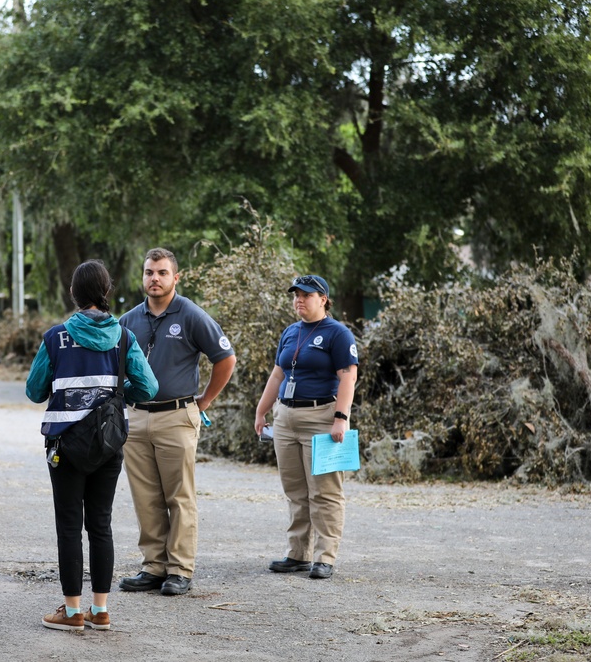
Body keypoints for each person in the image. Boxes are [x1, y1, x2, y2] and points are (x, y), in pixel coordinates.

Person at [26, 260, 159, 631]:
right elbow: (149, 388)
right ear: (107, 290)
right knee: (101, 525)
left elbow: (34, 390)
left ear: (74, 293)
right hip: (108, 444)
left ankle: (71, 613)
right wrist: (116, 395)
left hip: (65, 446)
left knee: (69, 526)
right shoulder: (124, 337)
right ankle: (100, 610)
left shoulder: (56, 338)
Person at [117, 248, 237, 596]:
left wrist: (205, 401)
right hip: (137, 417)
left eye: (162, 273)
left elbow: (225, 359)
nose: (154, 278)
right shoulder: (129, 320)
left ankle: (180, 569)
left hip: (177, 416)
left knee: (178, 497)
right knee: (145, 496)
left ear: (175, 277)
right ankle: (154, 566)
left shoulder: (191, 315)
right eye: (149, 272)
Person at [254, 274, 358, 580]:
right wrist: (261, 412)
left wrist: (341, 417)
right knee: (295, 490)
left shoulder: (338, 334)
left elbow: (348, 378)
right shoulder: (290, 332)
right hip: (286, 418)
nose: (299, 299)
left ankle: (325, 556)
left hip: (321, 417)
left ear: (323, 299)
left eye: (307, 295)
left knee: (324, 491)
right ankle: (297, 554)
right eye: (296, 295)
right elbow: (277, 375)